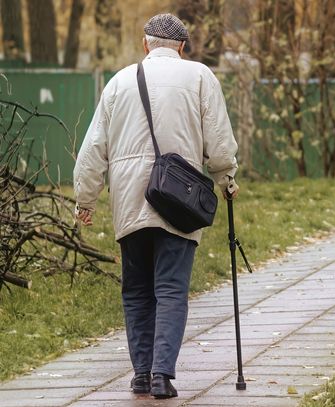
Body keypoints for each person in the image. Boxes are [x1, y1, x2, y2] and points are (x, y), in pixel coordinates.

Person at [73, 13, 239, 399]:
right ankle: (162, 375)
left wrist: (86, 198)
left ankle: (140, 374)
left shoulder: (117, 83)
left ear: (145, 44)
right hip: (177, 199)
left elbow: (93, 148)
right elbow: (218, 140)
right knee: (171, 289)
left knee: (135, 291)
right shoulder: (200, 77)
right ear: (181, 47)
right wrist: (226, 178)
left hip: (130, 199)